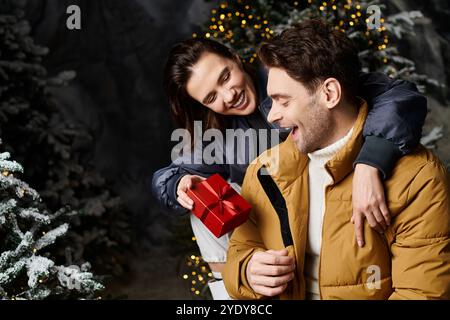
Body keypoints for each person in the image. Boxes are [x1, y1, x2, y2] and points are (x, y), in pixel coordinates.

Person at [151, 35, 427, 298]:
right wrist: (179, 185)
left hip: (339, 206)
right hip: (276, 234)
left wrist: (371, 162)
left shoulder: (288, 73)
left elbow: (398, 96)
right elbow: (171, 174)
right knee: (202, 201)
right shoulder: (219, 135)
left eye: (225, 77)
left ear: (235, 58)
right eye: (211, 98)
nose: (229, 94)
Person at [223, 19, 450, 300]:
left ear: (329, 94)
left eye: (283, 100)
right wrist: (246, 270)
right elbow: (239, 251)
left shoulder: (418, 178)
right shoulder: (265, 170)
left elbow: (421, 293)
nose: (271, 116)